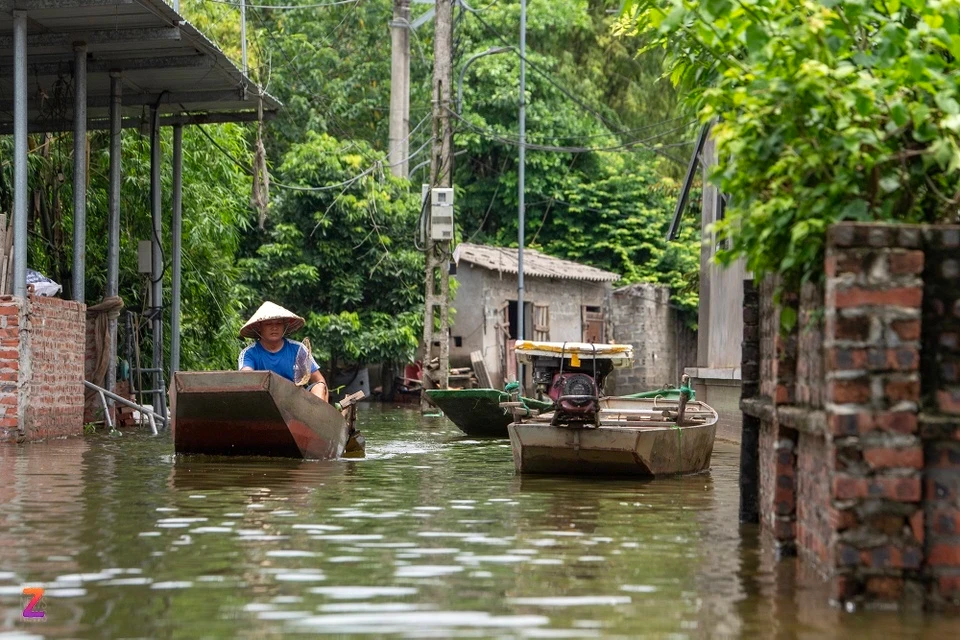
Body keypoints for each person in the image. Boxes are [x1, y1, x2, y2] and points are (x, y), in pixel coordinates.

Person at [238, 302, 329, 402]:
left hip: (297, 403)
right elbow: (246, 377)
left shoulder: (298, 349)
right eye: (268, 324)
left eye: (278, 323)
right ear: (259, 328)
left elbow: (319, 380)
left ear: (284, 326)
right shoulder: (249, 353)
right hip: (264, 402)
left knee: (319, 386)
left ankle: (319, 417)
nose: (274, 327)